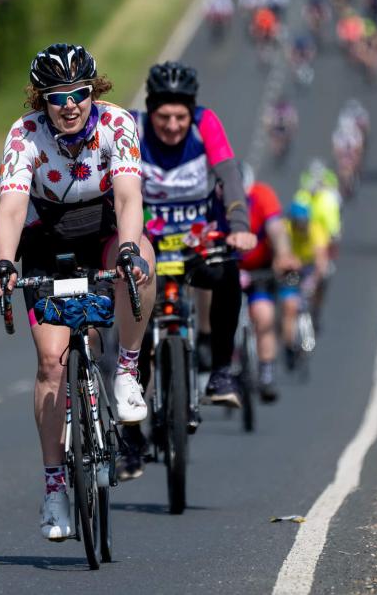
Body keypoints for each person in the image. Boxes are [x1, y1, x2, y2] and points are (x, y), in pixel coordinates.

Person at [0, 43, 156, 541]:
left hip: (104, 226)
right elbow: (12, 209)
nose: (69, 105)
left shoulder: (117, 124)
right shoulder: (25, 135)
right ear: (41, 100)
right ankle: (55, 487)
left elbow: (128, 197)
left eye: (78, 93)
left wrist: (128, 249)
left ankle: (127, 369)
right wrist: (3, 261)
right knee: (49, 363)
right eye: (56, 96)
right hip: (47, 237)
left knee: (141, 261)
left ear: (93, 91)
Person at [118, 61, 256, 479]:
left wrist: (239, 227)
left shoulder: (205, 125)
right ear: (150, 111)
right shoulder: (134, 129)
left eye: (181, 116)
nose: (174, 126)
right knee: (135, 335)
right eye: (165, 117)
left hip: (199, 240)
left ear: (192, 112)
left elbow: (229, 177)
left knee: (228, 275)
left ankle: (220, 372)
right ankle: (131, 434)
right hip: (151, 247)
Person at [238, 163, 299, 403]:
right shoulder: (216, 200)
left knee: (264, 316)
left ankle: (266, 372)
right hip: (227, 269)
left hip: (258, 270)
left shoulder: (262, 195)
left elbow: (276, 229)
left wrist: (283, 255)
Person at [280, 199, 330, 364]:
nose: (301, 227)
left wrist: (314, 280)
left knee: (322, 282)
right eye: (298, 223)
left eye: (304, 223)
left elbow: (321, 261)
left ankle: (316, 312)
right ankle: (289, 346)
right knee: (290, 307)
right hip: (291, 268)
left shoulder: (316, 230)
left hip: (309, 267)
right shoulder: (285, 229)